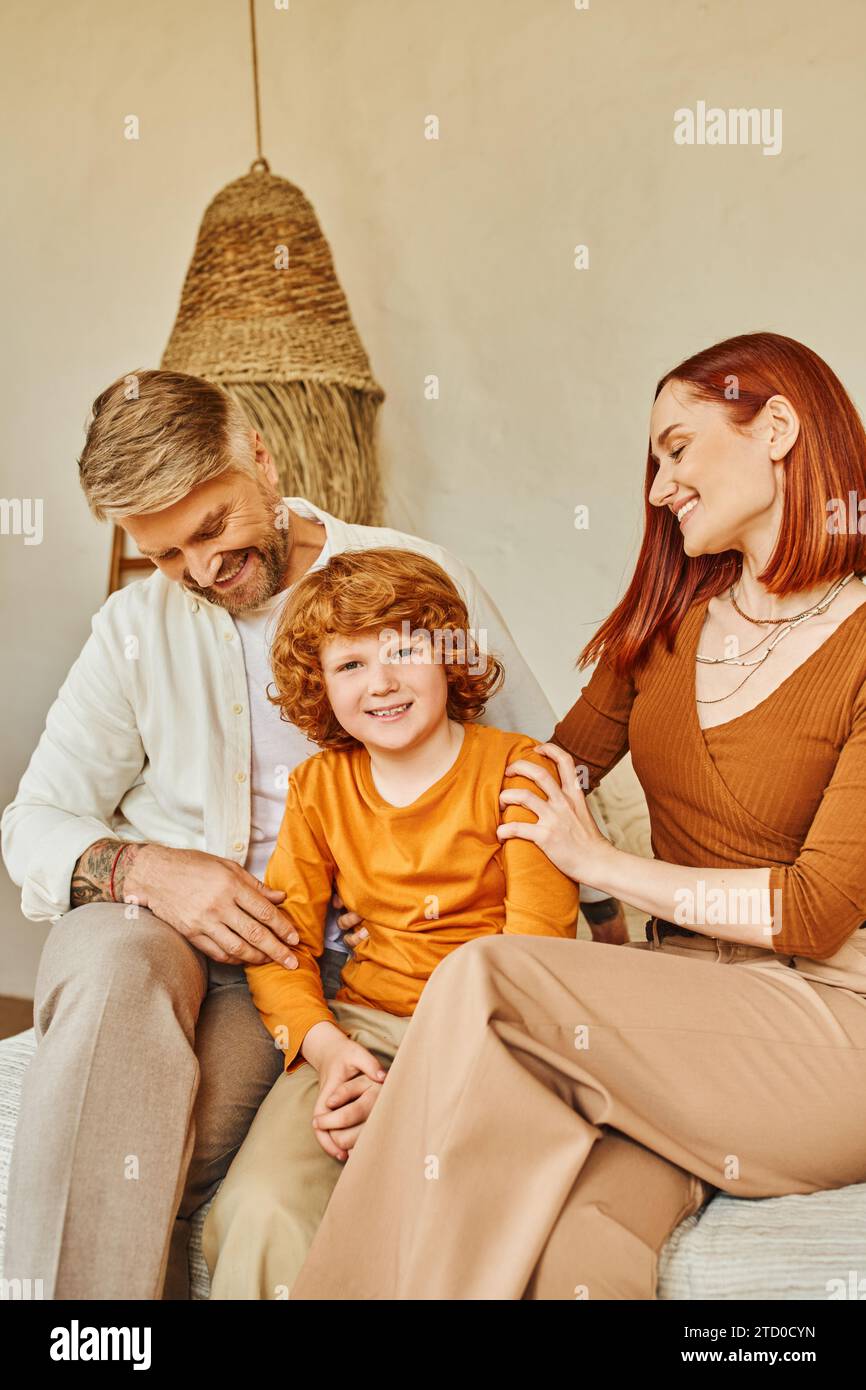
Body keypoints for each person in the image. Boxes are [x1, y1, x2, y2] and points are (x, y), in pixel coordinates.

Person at [0, 367, 620, 1300]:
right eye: (167, 554)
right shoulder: (134, 628)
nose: (202, 572)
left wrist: (609, 927)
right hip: (176, 935)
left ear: (261, 456)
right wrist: (144, 869)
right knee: (108, 957)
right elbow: (34, 822)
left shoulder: (414, 578)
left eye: (212, 528)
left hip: (333, 967)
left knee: (168, 1152)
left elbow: (533, 771)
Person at [288, 331, 866, 1301]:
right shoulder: (662, 630)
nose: (657, 486)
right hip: (668, 1011)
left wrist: (598, 866)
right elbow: (529, 774)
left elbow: (811, 911)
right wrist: (388, 876)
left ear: (774, 427)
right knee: (578, 1255)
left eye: (676, 447)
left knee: (488, 977)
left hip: (824, 1026)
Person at [201, 547, 582, 1296]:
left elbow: (534, 961)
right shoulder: (317, 788)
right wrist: (328, 1048)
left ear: (449, 659)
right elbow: (283, 948)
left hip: (494, 1040)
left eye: (404, 649)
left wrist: (413, 1089)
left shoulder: (522, 770)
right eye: (349, 665)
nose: (380, 683)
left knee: (442, 1213)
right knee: (259, 1205)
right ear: (322, 688)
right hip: (361, 1033)